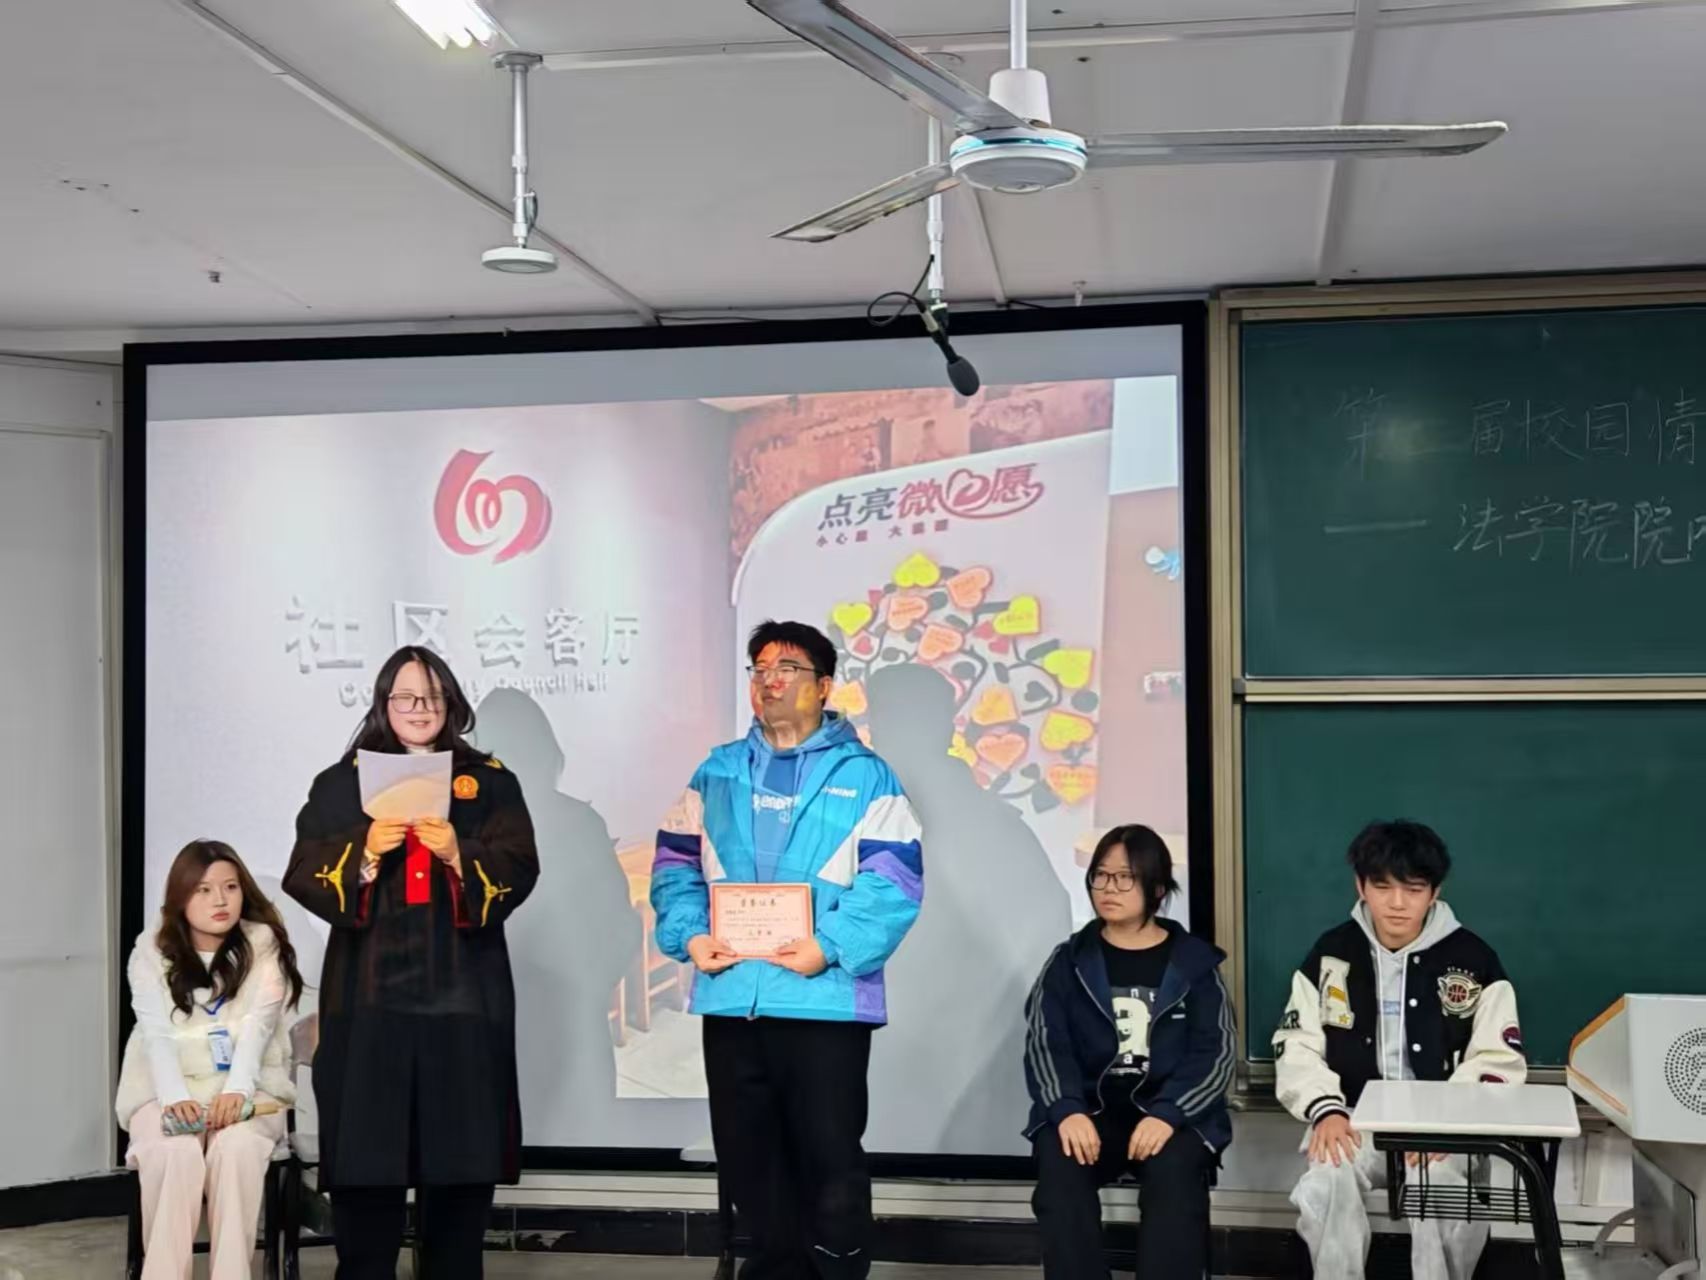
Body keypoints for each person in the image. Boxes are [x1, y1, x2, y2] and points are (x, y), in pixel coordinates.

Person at [651, 620, 924, 1280]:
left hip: (822, 999)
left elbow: (895, 882)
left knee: (829, 1158)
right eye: (760, 669)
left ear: (824, 686)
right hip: (733, 997)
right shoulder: (716, 773)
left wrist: (828, 948)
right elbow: (674, 866)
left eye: (788, 669)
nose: (769, 681)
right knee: (748, 1158)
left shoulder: (868, 777)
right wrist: (690, 935)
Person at [285, 646, 539, 1279]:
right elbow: (303, 869)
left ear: (451, 703)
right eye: (405, 697)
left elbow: (521, 865)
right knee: (367, 1164)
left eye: (432, 697)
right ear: (383, 703)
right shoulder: (341, 782)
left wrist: (459, 851)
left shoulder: (489, 781)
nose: (419, 709)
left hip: (463, 999)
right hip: (369, 1001)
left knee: (460, 1164)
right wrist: (365, 850)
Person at [1273, 820, 1526, 1280]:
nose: (1396, 903)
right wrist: (1326, 1109)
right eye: (1382, 887)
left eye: (1412, 889)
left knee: (1440, 1189)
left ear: (1434, 892)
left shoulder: (1474, 960)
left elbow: (1498, 1060)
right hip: (1353, 1119)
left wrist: (1444, 1126)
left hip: (1443, 1127)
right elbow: (1297, 1044)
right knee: (1327, 1178)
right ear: (1360, 886)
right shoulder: (1331, 954)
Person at [1024, 825, 1234, 1280]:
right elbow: (1045, 1041)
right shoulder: (1069, 961)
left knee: (1175, 1175)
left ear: (1156, 888)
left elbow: (1215, 1054)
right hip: (1091, 1111)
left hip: (1168, 1115)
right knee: (1061, 1168)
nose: (1108, 888)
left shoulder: (1194, 964)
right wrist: (1067, 1110)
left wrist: (1169, 1113)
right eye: (1100, 875)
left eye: (1125, 877)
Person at [117, 839, 305, 1280]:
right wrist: (174, 1097)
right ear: (180, 897)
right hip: (163, 1089)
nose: (220, 900)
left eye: (230, 887)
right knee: (175, 1153)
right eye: (203, 890)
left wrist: (237, 1091)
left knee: (236, 1150)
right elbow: (156, 1033)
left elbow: (259, 1028)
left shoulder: (264, 946)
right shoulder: (150, 952)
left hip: (250, 1089)